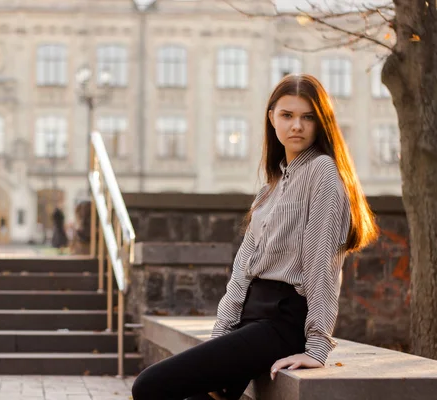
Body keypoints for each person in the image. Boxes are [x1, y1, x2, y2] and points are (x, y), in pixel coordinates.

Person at [131, 74, 379, 400]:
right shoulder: (268, 190)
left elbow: (322, 263)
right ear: (271, 117)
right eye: (287, 115)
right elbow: (241, 273)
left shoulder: (323, 171)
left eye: (308, 117)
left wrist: (316, 347)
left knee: (148, 386)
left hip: (282, 322)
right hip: (249, 321)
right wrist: (221, 335)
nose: (297, 126)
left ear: (321, 123)